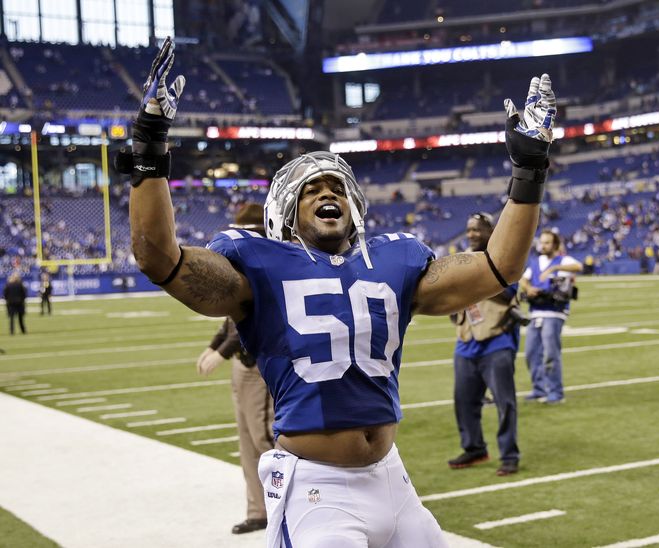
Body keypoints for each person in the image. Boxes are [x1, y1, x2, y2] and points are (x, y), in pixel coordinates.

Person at [123, 38, 555, 548]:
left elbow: (499, 266)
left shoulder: (394, 258)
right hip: (316, 489)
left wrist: (528, 171)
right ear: (286, 208)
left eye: (336, 186)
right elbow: (158, 256)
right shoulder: (258, 262)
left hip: (392, 478)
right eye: (312, 188)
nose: (327, 192)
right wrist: (151, 145)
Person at [195, 203, 275, 535]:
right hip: (242, 367)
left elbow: (249, 321)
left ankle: (292, 503)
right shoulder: (244, 265)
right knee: (246, 442)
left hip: (260, 364)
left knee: (265, 438)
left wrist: (221, 353)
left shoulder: (266, 268)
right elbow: (230, 321)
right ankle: (258, 511)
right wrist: (214, 345)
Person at [448, 212, 522, 477]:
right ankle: (475, 447)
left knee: (505, 402)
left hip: (497, 339)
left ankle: (509, 454)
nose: (471, 234)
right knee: (464, 401)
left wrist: (480, 270)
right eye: (468, 230)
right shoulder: (461, 259)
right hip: (466, 340)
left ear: (491, 231)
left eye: (477, 230)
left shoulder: (505, 258)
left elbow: (509, 293)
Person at [520, 230, 581, 404]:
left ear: (555, 245)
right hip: (536, 312)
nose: (543, 245)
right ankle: (539, 389)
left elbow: (578, 267)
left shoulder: (564, 260)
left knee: (550, 354)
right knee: (531, 353)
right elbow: (523, 280)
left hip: (554, 313)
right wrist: (529, 289)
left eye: (547, 242)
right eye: (542, 242)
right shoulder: (535, 261)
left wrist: (555, 268)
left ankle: (555, 392)